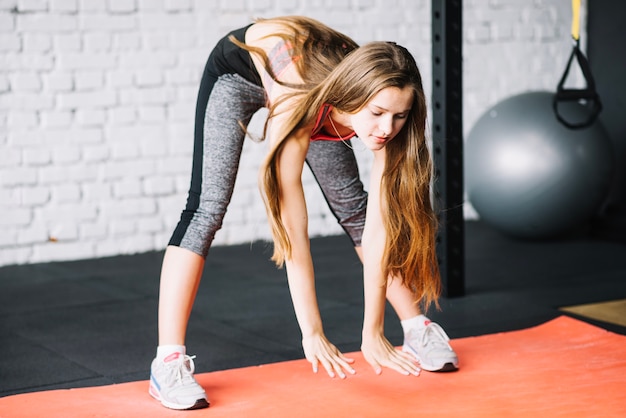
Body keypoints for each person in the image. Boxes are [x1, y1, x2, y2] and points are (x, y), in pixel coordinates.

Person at [148, 16, 459, 411]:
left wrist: (372, 329)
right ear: (355, 96)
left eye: (399, 116)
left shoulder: (387, 111)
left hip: (323, 94)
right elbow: (292, 228)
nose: (386, 129)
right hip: (240, 73)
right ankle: (168, 361)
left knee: (355, 208)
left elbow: (378, 225)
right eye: (378, 113)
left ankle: (416, 326)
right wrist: (311, 331)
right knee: (206, 208)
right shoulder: (300, 106)